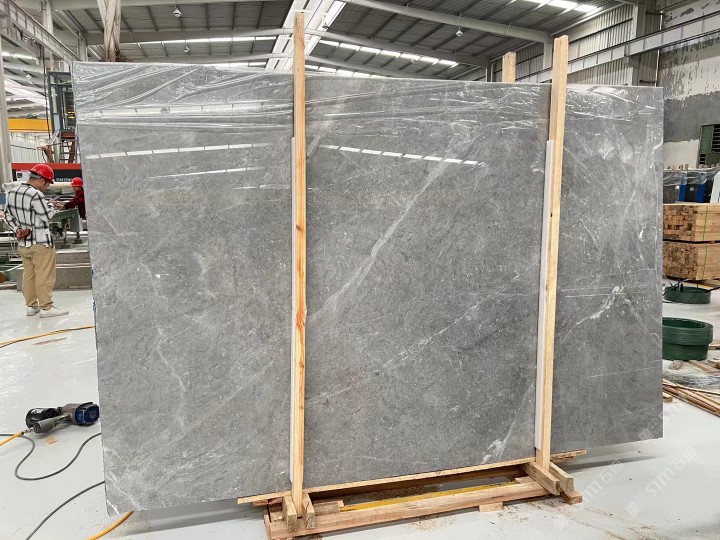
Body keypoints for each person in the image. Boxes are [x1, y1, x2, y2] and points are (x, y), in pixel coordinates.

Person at [3, 164, 69, 318]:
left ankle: (31, 306)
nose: (47, 187)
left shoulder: (12, 192)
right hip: (41, 243)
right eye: (47, 184)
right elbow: (47, 216)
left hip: (24, 243)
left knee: (29, 275)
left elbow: (7, 216)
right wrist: (51, 206)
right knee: (44, 275)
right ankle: (47, 307)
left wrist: (18, 230)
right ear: (41, 180)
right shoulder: (36, 194)